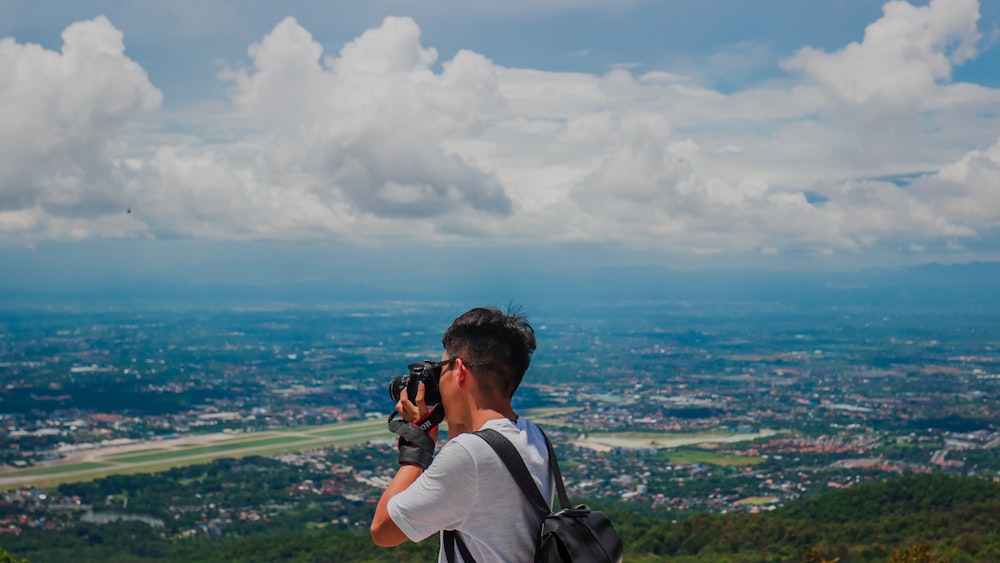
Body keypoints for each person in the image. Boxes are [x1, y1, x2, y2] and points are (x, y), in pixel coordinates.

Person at [370, 306, 551, 562]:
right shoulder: (534, 436)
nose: (438, 381)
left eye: (441, 370)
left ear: (460, 371)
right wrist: (455, 419)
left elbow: (383, 530)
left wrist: (416, 449)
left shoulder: (469, 455)